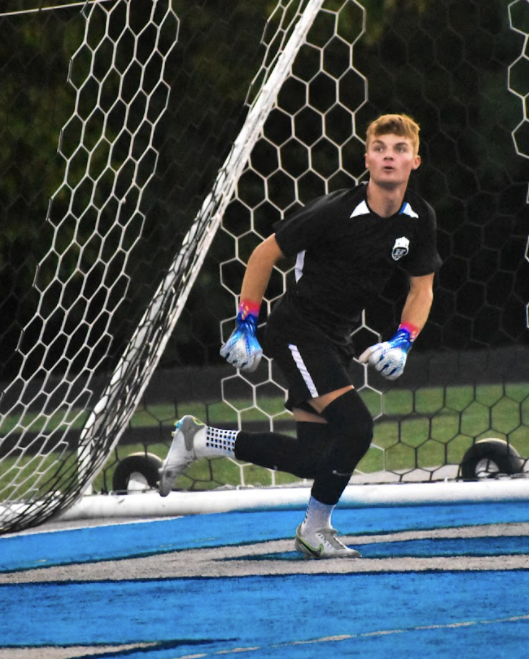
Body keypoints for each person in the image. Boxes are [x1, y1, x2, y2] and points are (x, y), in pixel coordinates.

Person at [158, 112, 441, 558]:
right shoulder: (334, 210)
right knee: (356, 427)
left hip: (334, 340)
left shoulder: (419, 218)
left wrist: (404, 339)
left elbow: (421, 286)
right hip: (297, 331)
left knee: (314, 458)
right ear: (367, 158)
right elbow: (262, 254)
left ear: (415, 162)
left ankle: (197, 440)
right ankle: (315, 530)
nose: (390, 156)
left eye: (400, 149)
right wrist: (246, 326)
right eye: (381, 148)